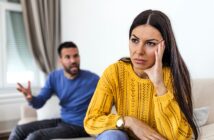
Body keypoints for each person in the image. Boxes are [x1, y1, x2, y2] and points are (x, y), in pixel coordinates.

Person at [84, 9, 199, 140]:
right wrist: (130, 122)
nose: (139, 51)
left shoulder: (173, 76)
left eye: (150, 43)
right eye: (135, 40)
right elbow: (91, 121)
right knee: (111, 136)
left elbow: (178, 136)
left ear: (164, 46)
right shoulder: (115, 72)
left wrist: (159, 85)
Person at [9, 41, 99, 140]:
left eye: (76, 56)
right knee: (18, 130)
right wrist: (30, 98)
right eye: (67, 57)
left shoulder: (93, 80)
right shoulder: (54, 77)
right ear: (61, 61)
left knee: (34, 137)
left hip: (81, 126)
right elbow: (39, 102)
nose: (73, 60)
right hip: (63, 121)